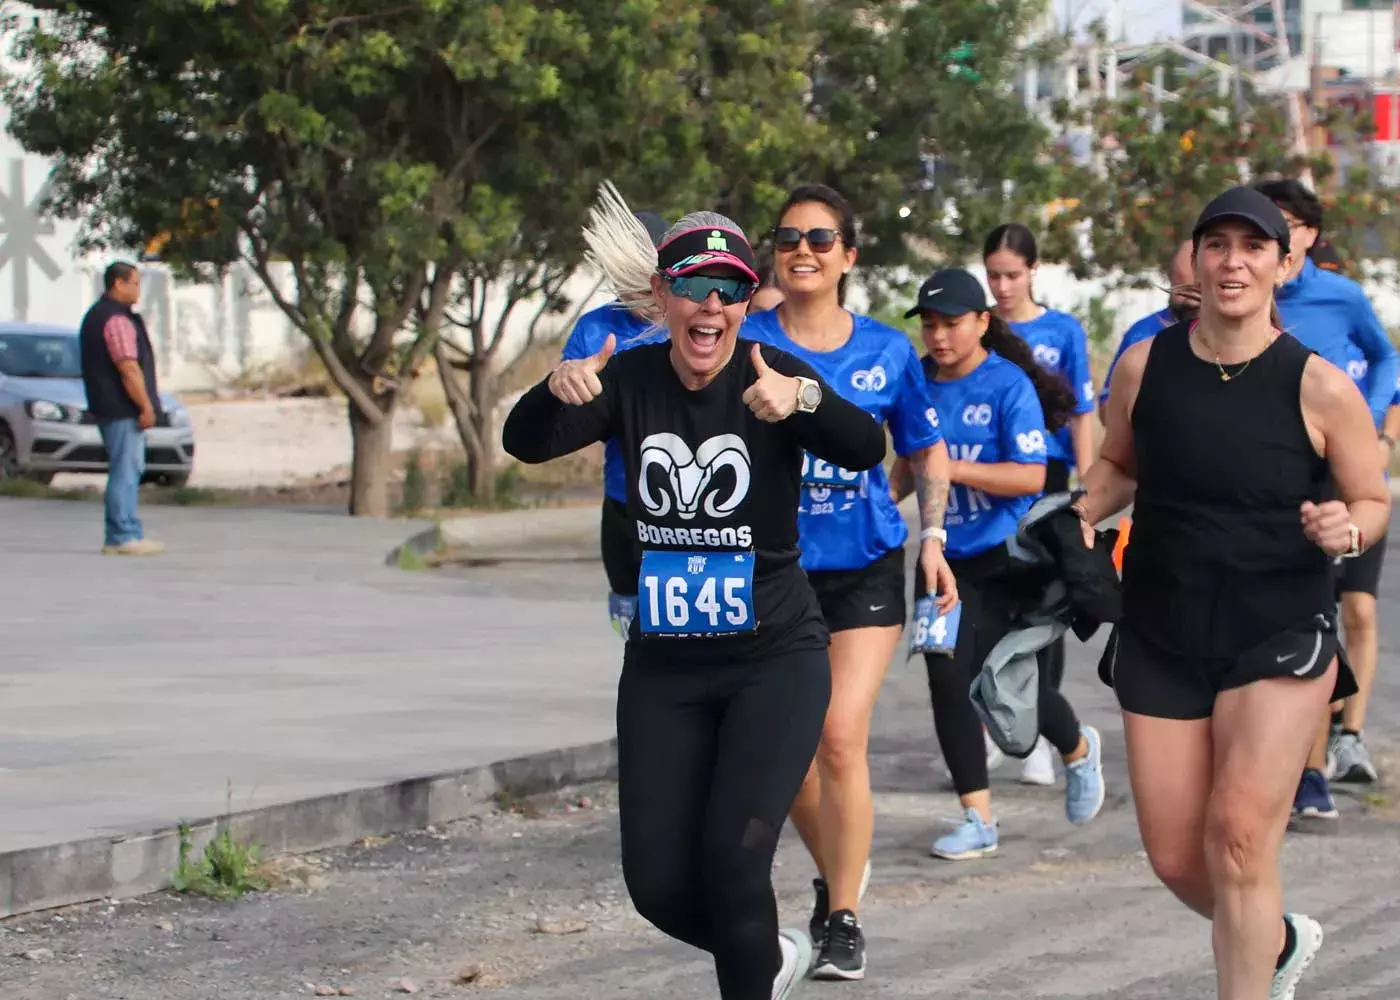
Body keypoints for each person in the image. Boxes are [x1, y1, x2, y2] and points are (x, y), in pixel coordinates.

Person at [502, 212, 887, 1000]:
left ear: (748, 301)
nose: (710, 307)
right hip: (664, 668)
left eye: (730, 291)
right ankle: (770, 955)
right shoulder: (630, 377)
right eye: (693, 287)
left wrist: (804, 397)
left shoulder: (769, 372)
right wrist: (552, 388)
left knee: (733, 858)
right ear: (661, 292)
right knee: (658, 887)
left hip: (773, 660)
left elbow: (865, 446)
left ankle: (754, 965)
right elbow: (524, 443)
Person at [1079, 186, 1389, 1000]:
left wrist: (1345, 530)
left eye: (1253, 247)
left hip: (1277, 626)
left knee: (1241, 841)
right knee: (1179, 858)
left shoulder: (1319, 385)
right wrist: (1083, 511)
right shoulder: (1146, 366)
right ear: (1194, 259)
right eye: (1216, 244)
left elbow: (1372, 498)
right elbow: (1118, 465)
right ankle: (1275, 938)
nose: (1232, 262)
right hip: (1163, 625)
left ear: (1286, 264)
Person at [743, 183, 955, 981]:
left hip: (864, 565)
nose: (803, 250)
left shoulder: (888, 351)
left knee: (838, 735)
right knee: (787, 755)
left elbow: (925, 447)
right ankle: (838, 871)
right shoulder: (747, 338)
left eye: (821, 239)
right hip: (771, 569)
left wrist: (929, 534)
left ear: (849, 257)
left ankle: (842, 918)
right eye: (789, 237)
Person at [893, 267, 1106, 862]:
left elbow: (1030, 476)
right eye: (929, 325)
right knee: (947, 681)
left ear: (983, 322)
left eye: (951, 324)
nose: (938, 336)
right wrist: (875, 514)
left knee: (1005, 681)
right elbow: (904, 469)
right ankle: (977, 818)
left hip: (1006, 561)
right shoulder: (918, 383)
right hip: (941, 560)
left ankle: (1077, 751)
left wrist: (948, 468)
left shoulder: (1008, 386)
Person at [1253, 178, 1399, 813]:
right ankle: (1290, 755)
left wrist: (1370, 425)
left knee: (1357, 609)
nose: (1275, 234)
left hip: (1344, 473)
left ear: (1309, 235)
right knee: (1295, 614)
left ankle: (1349, 737)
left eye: (1286, 223)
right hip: (1277, 475)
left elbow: (1388, 357)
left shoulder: (1342, 297)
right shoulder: (1246, 294)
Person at [982, 223, 1098, 786]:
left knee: (1043, 611)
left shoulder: (1063, 330)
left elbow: (1081, 412)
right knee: (994, 602)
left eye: (1012, 275)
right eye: (993, 275)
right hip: (993, 478)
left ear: (1033, 271)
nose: (1002, 286)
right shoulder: (979, 325)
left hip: (1049, 477)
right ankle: (995, 724)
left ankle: (1041, 736)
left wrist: (1087, 490)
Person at [560, 186, 670, 636]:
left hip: (697, 513)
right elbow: (566, 422)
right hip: (625, 508)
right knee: (637, 644)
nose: (638, 290)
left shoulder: (698, 321)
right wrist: (571, 388)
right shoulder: (596, 329)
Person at [78, 262, 165, 556]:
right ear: (119, 283)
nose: (138, 290)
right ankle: (122, 534)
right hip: (121, 407)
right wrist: (145, 405)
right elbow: (128, 367)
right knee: (126, 470)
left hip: (108, 405)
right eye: (135, 283)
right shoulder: (115, 320)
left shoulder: (99, 316)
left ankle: (126, 530)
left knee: (128, 468)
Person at [1098, 240, 1201, 420]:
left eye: (1195, 294)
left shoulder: (1233, 335)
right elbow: (1107, 409)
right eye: (1180, 291)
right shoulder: (1141, 334)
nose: (1186, 301)